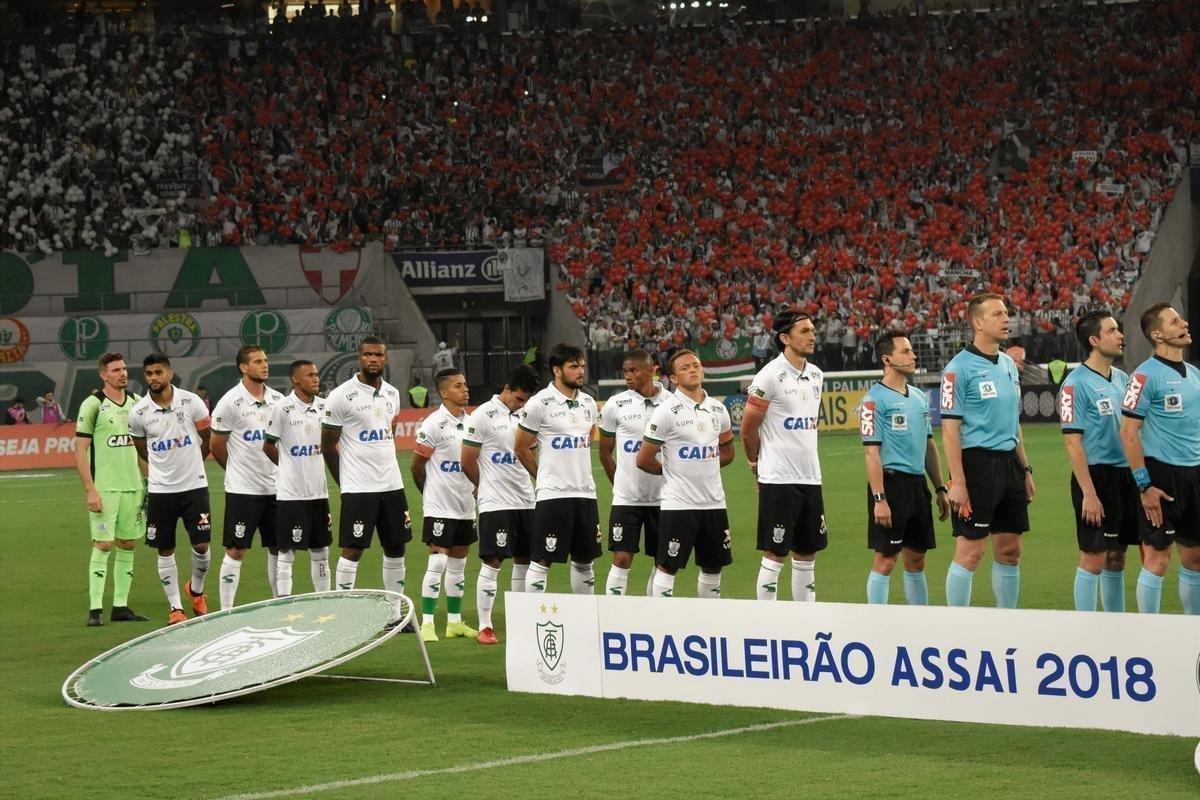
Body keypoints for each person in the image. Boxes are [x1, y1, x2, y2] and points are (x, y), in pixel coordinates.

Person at [940, 293, 1035, 608]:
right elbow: (950, 429)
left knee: (1011, 550)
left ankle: (1007, 622)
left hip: (1010, 464)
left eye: (1007, 312)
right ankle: (957, 626)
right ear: (978, 322)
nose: (1006, 318)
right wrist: (958, 480)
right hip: (977, 465)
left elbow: (1014, 422)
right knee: (971, 552)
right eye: (997, 314)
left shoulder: (1008, 364)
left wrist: (1026, 469)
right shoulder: (958, 369)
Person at [1119, 302, 1200, 614]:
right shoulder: (1143, 377)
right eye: (1174, 321)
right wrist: (1144, 485)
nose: (1184, 323)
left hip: (1194, 473)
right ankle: (1147, 634)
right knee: (1158, 557)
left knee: (1194, 557)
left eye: (1181, 318)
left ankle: (1192, 630)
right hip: (1161, 475)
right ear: (1158, 335)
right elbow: (1128, 433)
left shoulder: (1194, 374)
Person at [741, 308, 826, 603]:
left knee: (807, 552)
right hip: (778, 478)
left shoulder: (816, 374)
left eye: (813, 329)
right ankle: (769, 621)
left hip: (811, 477)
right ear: (785, 338)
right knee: (776, 552)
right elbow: (748, 428)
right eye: (805, 331)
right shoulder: (769, 376)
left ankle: (805, 619)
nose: (812, 335)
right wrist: (756, 465)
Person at [636, 349, 735, 598]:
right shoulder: (666, 411)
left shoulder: (718, 410)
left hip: (714, 502)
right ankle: (663, 623)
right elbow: (644, 459)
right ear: (674, 378)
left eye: (696, 365)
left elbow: (728, 451)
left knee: (713, 566)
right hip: (679, 504)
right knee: (668, 566)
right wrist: (673, 471)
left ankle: (708, 621)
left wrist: (705, 465)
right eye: (685, 368)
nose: (692, 369)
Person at [860, 333, 950, 605]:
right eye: (906, 351)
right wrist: (880, 499)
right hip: (890, 485)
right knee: (886, 559)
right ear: (887, 359)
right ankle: (876, 622)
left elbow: (929, 446)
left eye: (912, 350)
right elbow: (871, 453)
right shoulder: (873, 401)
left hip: (917, 485)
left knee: (917, 559)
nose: (913, 356)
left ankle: (918, 622)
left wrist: (940, 487)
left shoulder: (920, 398)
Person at [1059, 310, 1139, 612]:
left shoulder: (1124, 379)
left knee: (1118, 555)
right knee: (1094, 557)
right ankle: (1085, 631)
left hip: (1125, 475)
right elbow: (1072, 442)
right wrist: (1089, 494)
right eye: (1113, 331)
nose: (1121, 336)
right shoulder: (1075, 384)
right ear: (1094, 340)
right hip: (1095, 477)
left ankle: (1115, 627)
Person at [322, 337, 411, 598]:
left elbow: (388, 433)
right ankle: (343, 608)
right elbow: (328, 445)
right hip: (359, 487)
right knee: (353, 549)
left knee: (396, 548)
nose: (373, 359)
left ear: (386, 358)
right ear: (359, 358)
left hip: (392, 484)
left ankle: (395, 611)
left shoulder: (392, 394)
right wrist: (344, 481)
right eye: (367, 354)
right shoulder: (340, 396)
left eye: (378, 355)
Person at [129, 354, 213, 625]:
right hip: (162, 490)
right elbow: (141, 448)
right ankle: (176, 608)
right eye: (149, 373)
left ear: (170, 373)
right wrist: (162, 470)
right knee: (165, 548)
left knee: (201, 544)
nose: (154, 378)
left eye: (158, 372)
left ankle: (196, 590)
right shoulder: (139, 412)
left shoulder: (191, 402)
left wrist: (191, 463)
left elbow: (207, 439)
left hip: (194, 485)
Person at [461, 364, 541, 645]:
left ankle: (521, 618)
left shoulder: (528, 414)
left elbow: (531, 452)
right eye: (519, 399)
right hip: (495, 501)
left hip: (526, 499)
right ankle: (485, 625)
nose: (522, 404)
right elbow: (467, 460)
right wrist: (483, 486)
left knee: (525, 560)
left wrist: (539, 481)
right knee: (493, 561)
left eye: (526, 400)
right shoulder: (483, 414)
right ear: (507, 389)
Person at [513, 343, 601, 594]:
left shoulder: (589, 403)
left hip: (585, 494)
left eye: (582, 366)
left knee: (585, 561)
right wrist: (543, 476)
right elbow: (520, 447)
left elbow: (586, 438)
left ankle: (585, 615)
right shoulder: (540, 403)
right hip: (553, 495)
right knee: (541, 560)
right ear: (557, 370)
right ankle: (534, 618)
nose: (580, 371)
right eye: (573, 366)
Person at [74, 352, 148, 626]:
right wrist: (90, 490)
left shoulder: (138, 404)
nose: (123, 373)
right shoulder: (93, 405)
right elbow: (80, 452)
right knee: (104, 543)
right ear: (104, 375)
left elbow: (143, 450)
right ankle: (95, 610)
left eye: (125, 369)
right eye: (116, 369)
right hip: (105, 489)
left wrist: (150, 481)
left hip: (133, 488)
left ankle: (121, 607)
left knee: (127, 543)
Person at [210, 346, 285, 608]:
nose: (265, 365)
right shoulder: (230, 402)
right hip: (243, 490)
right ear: (244, 367)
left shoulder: (279, 400)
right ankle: (225, 610)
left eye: (265, 360)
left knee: (278, 547)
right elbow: (216, 446)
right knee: (236, 549)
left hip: (276, 487)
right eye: (257, 362)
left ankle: (279, 604)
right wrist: (236, 470)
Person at [411, 368, 478, 642]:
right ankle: (427, 623)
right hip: (440, 506)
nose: (465, 389)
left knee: (459, 565)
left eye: (465, 384)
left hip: (465, 505)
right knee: (437, 563)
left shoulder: (472, 422)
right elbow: (417, 467)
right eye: (458, 385)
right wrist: (429, 495)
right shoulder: (433, 424)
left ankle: (453, 622)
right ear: (444, 392)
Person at [599, 349, 668, 596]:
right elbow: (605, 451)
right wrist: (618, 483)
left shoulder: (671, 403)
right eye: (625, 370)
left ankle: (652, 614)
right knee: (621, 558)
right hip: (627, 498)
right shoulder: (615, 405)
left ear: (651, 371)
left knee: (662, 561)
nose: (627, 376)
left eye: (633, 370)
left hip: (664, 498)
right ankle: (613, 617)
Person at [262, 360, 332, 596]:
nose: (315, 378)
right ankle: (283, 600)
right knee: (286, 551)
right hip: (291, 494)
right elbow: (268, 445)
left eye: (316, 374)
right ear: (295, 380)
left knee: (321, 550)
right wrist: (288, 466)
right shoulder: (283, 408)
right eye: (310, 375)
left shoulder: (325, 407)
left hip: (319, 492)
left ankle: (323, 599)